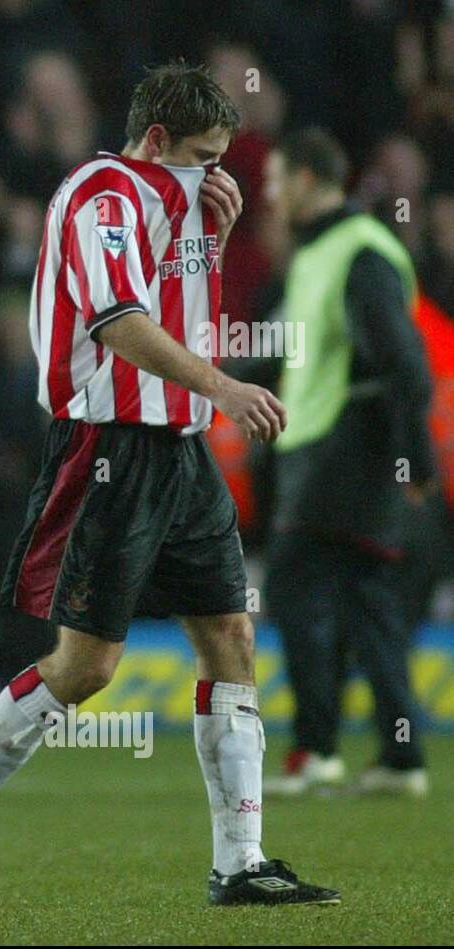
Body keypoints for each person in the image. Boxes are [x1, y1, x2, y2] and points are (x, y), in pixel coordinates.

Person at [0, 62, 339, 908]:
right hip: (107, 448)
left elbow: (172, 295)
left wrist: (202, 224)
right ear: (158, 139)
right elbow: (121, 323)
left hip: (179, 447)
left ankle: (239, 860)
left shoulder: (179, 199)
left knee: (231, 637)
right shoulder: (102, 195)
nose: (215, 173)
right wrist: (226, 386)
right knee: (87, 664)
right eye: (203, 155)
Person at [262, 128, 435, 798]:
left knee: (294, 590)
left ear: (308, 178)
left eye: (277, 180)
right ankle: (401, 756)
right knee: (367, 604)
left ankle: (316, 747)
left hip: (343, 451)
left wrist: (415, 458)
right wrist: (199, 373)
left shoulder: (357, 253)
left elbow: (406, 365)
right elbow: (284, 351)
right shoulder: (323, 255)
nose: (270, 195)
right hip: (340, 449)